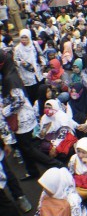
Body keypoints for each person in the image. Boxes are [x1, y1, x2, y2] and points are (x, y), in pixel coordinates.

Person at [0, 49, 62, 181]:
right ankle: (32, 170)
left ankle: (56, 165)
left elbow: (18, 100)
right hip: (22, 116)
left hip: (22, 118)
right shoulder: (10, 73)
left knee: (28, 148)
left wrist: (4, 110)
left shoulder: (9, 78)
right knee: (24, 147)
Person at [13, 29, 45, 104]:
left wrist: (43, 64)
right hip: (26, 76)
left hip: (38, 73)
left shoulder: (34, 44)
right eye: (22, 37)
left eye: (26, 37)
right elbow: (15, 61)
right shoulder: (17, 49)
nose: (24, 40)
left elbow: (40, 54)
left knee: (41, 92)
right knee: (32, 96)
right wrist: (21, 63)